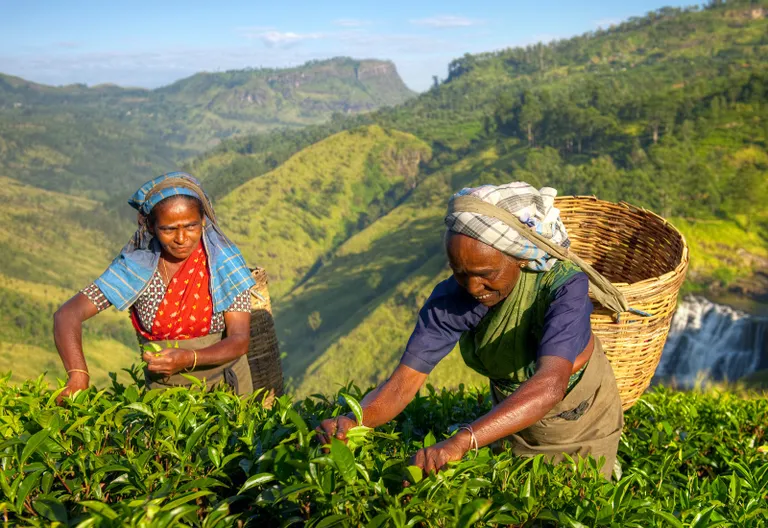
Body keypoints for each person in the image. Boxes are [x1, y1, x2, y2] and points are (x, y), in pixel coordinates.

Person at [317, 182, 624, 479]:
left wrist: (462, 441)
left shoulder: (563, 287)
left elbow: (550, 385)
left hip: (581, 412)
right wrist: (353, 421)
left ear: (518, 257)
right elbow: (402, 385)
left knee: (582, 491)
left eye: (486, 274)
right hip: (514, 410)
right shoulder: (452, 299)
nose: (473, 287)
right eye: (459, 273)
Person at [53, 172, 256, 400]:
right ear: (150, 226)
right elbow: (67, 315)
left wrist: (189, 358)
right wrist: (78, 375)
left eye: (191, 227)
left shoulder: (223, 263)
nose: (181, 238)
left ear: (203, 222)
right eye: (168, 229)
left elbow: (240, 340)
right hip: (165, 397)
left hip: (228, 390)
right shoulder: (137, 268)